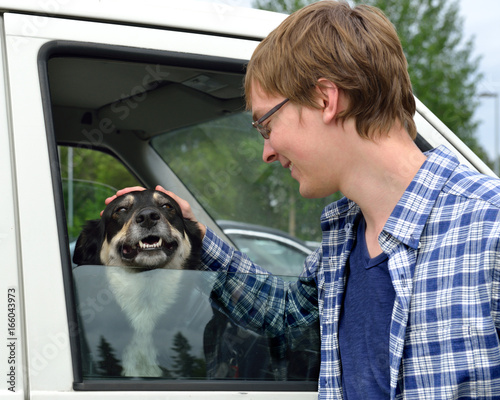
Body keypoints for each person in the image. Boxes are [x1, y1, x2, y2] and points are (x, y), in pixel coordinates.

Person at [106, 1, 500, 399]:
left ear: (326, 100)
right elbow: (284, 315)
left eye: (266, 124)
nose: (267, 152)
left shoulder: (491, 226)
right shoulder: (344, 239)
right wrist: (194, 234)